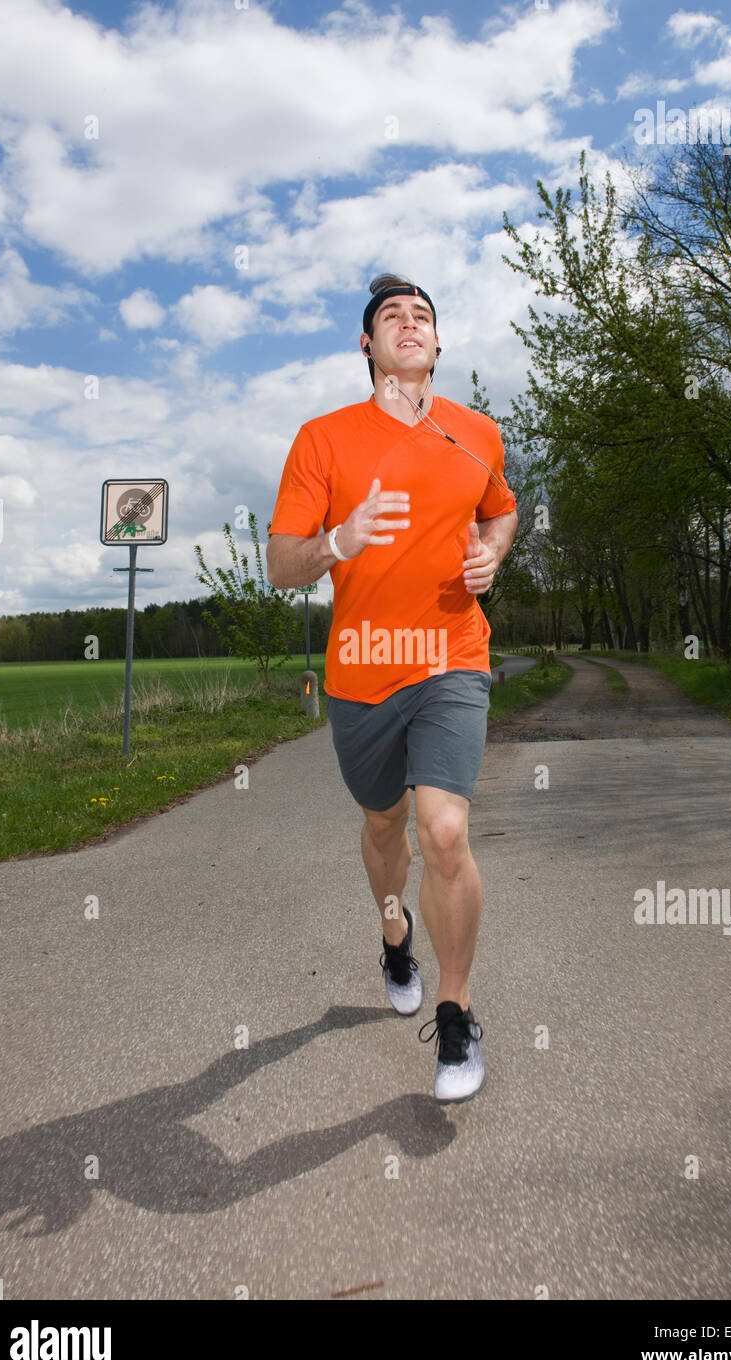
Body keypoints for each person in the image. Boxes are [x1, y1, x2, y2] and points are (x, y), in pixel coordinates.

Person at [267, 273, 518, 1102]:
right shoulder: (323, 440)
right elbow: (279, 565)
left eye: (422, 317)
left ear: (438, 345)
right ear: (367, 346)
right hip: (364, 671)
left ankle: (455, 1015)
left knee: (444, 831)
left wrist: (494, 551)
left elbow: (501, 510)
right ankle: (393, 933)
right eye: (390, 317)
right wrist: (338, 539)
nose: (408, 326)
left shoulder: (477, 432)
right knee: (385, 824)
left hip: (452, 657)